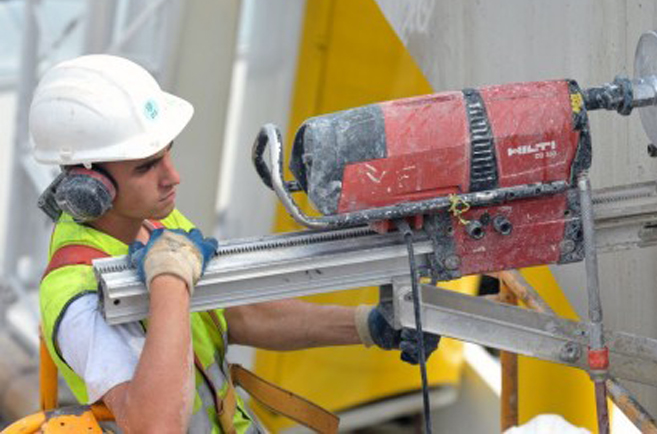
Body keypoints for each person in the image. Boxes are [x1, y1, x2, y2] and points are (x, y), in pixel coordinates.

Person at [31, 54, 439, 433]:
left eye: (167, 154)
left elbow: (235, 316)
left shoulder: (149, 218)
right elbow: (154, 427)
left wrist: (366, 326)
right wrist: (170, 285)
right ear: (90, 188)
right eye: (147, 166)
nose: (173, 177)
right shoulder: (76, 295)